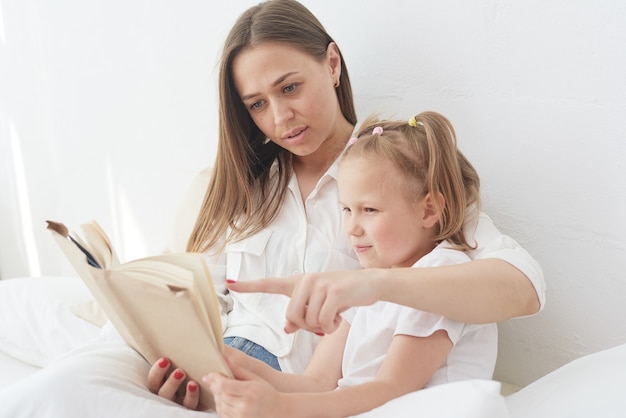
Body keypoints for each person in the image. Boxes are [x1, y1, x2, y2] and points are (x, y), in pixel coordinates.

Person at [0, 0, 543, 416]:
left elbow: (522, 287)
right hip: (211, 362)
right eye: (257, 104)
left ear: (331, 63)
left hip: (290, 386)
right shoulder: (241, 186)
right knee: (56, 390)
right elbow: (192, 294)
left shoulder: (400, 175)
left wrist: (367, 284)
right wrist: (172, 351)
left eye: (290, 88)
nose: (280, 117)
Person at [203, 111, 498, 417]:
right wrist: (241, 365)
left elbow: (391, 389)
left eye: (369, 209)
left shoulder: (441, 276)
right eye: (346, 209)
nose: (352, 228)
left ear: (429, 211)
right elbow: (317, 383)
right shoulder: (366, 284)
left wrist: (282, 407)